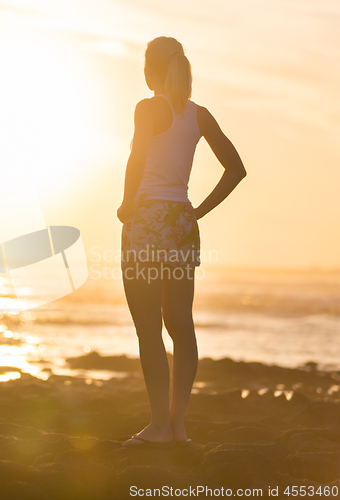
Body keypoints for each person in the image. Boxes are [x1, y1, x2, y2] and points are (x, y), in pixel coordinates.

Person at [117, 36, 247, 448]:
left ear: (150, 69)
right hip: (181, 224)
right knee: (181, 325)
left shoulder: (147, 107)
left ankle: (157, 427)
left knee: (148, 328)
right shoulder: (199, 115)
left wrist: (125, 205)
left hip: (147, 220)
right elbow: (236, 169)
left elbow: (137, 158)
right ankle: (178, 427)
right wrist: (198, 211)